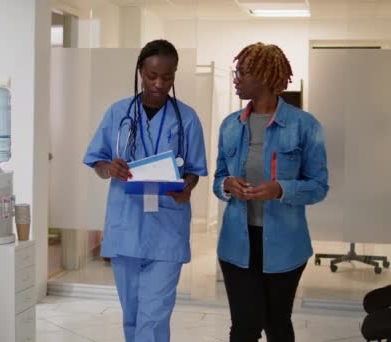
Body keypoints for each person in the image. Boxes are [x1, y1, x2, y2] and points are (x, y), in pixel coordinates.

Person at [83, 39, 207, 342]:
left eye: (167, 77)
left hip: (167, 228)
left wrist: (186, 187)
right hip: (126, 225)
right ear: (140, 71)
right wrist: (109, 168)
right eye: (152, 76)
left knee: (154, 315)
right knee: (133, 316)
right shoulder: (118, 113)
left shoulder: (187, 118)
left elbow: (194, 171)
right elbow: (96, 161)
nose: (159, 84)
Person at [212, 42, 329, 342]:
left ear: (263, 76)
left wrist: (281, 190)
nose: (235, 78)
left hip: (285, 245)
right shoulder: (229, 126)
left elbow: (319, 186)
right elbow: (218, 179)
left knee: (277, 324)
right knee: (245, 325)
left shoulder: (304, 125)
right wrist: (227, 185)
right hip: (237, 244)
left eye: (241, 72)